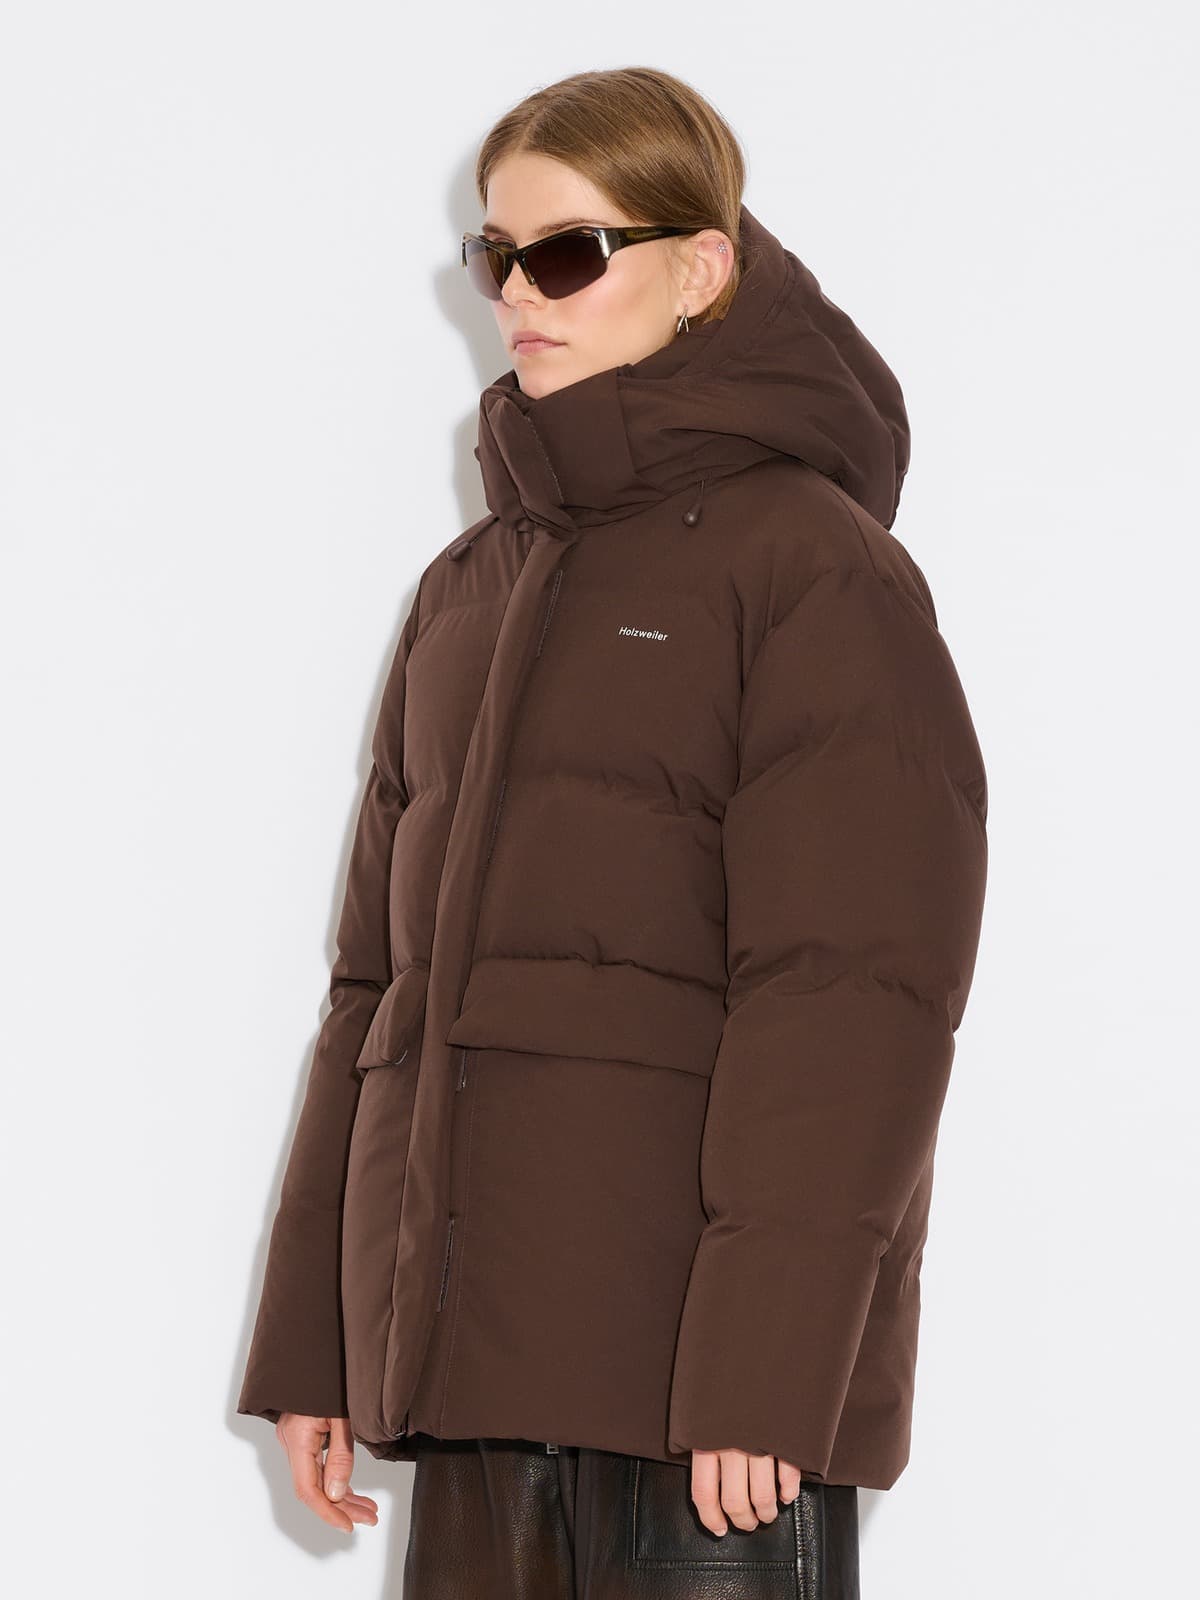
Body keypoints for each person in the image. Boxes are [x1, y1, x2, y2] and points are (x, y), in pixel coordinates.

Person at [237, 65, 989, 1598]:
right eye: (495, 256)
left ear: (700, 269)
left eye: (568, 253)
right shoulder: (466, 590)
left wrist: (770, 1362)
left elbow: (852, 996)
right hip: (472, 1374)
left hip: (699, 1401)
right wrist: (321, 1341)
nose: (521, 293)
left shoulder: (811, 569)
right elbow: (374, 992)